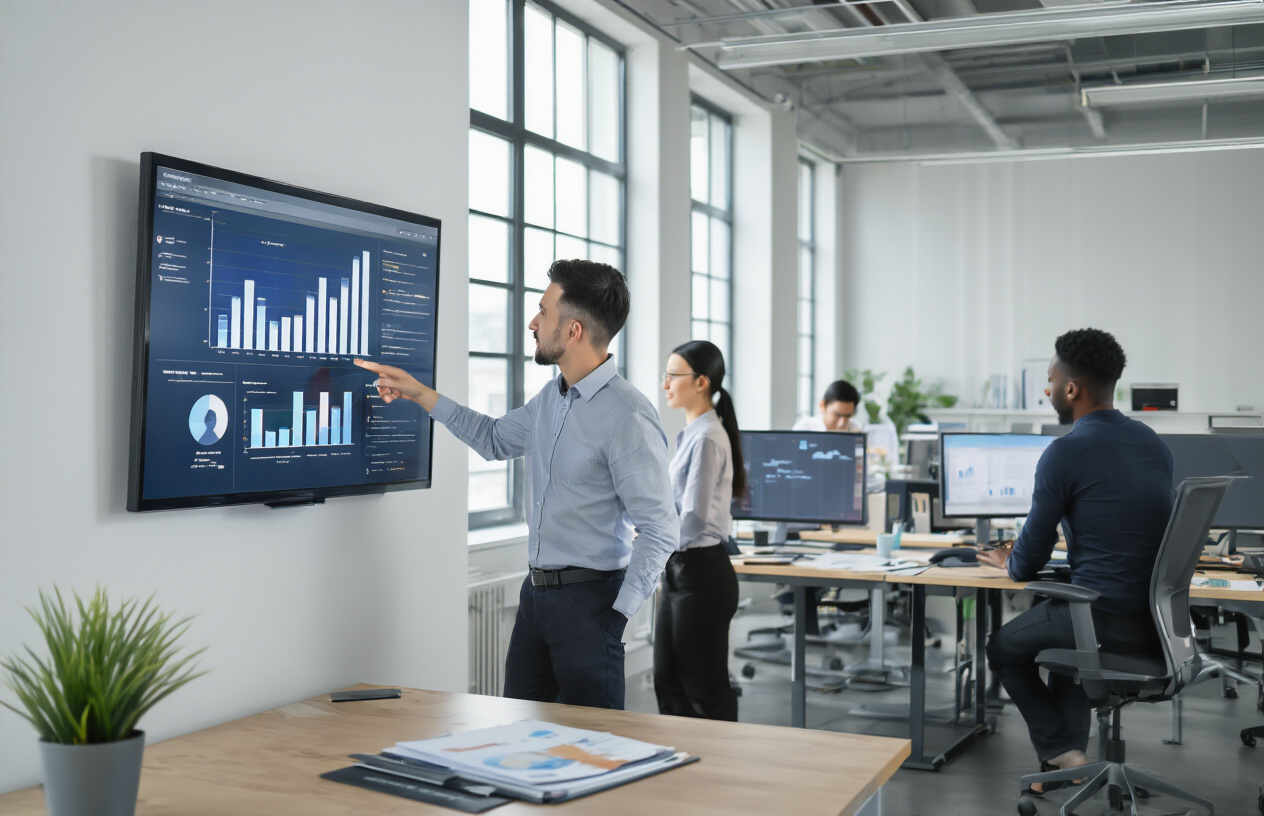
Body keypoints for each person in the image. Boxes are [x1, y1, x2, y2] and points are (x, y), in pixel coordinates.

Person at [355, 259, 678, 710]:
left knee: (594, 750)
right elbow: (493, 439)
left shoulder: (629, 415)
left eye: (543, 312)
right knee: (521, 737)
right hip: (536, 599)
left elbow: (661, 528)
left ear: (573, 331)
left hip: (592, 605)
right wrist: (419, 394)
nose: (533, 322)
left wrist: (618, 616)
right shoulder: (553, 397)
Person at [977, 328, 1174, 793]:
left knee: (1003, 648)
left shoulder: (1063, 452)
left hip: (1101, 617)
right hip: (1154, 622)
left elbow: (1026, 564)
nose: (1047, 390)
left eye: (1050, 380)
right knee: (1067, 635)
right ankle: (1070, 763)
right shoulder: (1154, 445)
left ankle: (1061, 753)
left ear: (1071, 389)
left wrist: (1005, 560)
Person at [654, 340, 744, 721]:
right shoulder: (692, 435)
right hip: (680, 570)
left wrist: (654, 541)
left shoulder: (707, 438)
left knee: (703, 689)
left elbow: (691, 519)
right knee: (668, 681)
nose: (666, 384)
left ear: (702, 382)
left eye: (673, 375)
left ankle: (718, 771)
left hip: (702, 574)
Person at [793, 379, 865, 432]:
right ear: (822, 406)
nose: (842, 423)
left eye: (848, 416)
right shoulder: (803, 429)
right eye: (837, 415)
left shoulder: (856, 428)